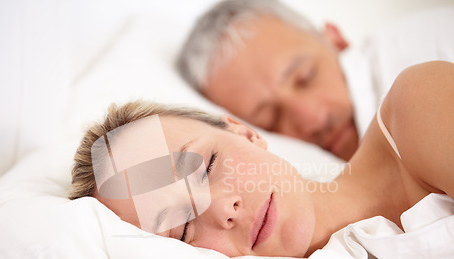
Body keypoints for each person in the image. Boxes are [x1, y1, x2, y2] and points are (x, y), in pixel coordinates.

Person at [67, 61, 454, 259]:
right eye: (183, 229)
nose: (222, 209)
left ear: (244, 132)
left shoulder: (415, 107)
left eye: (208, 165)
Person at [176, 0, 454, 161]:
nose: (311, 119)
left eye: (305, 78)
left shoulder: (431, 44)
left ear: (336, 40)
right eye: (271, 120)